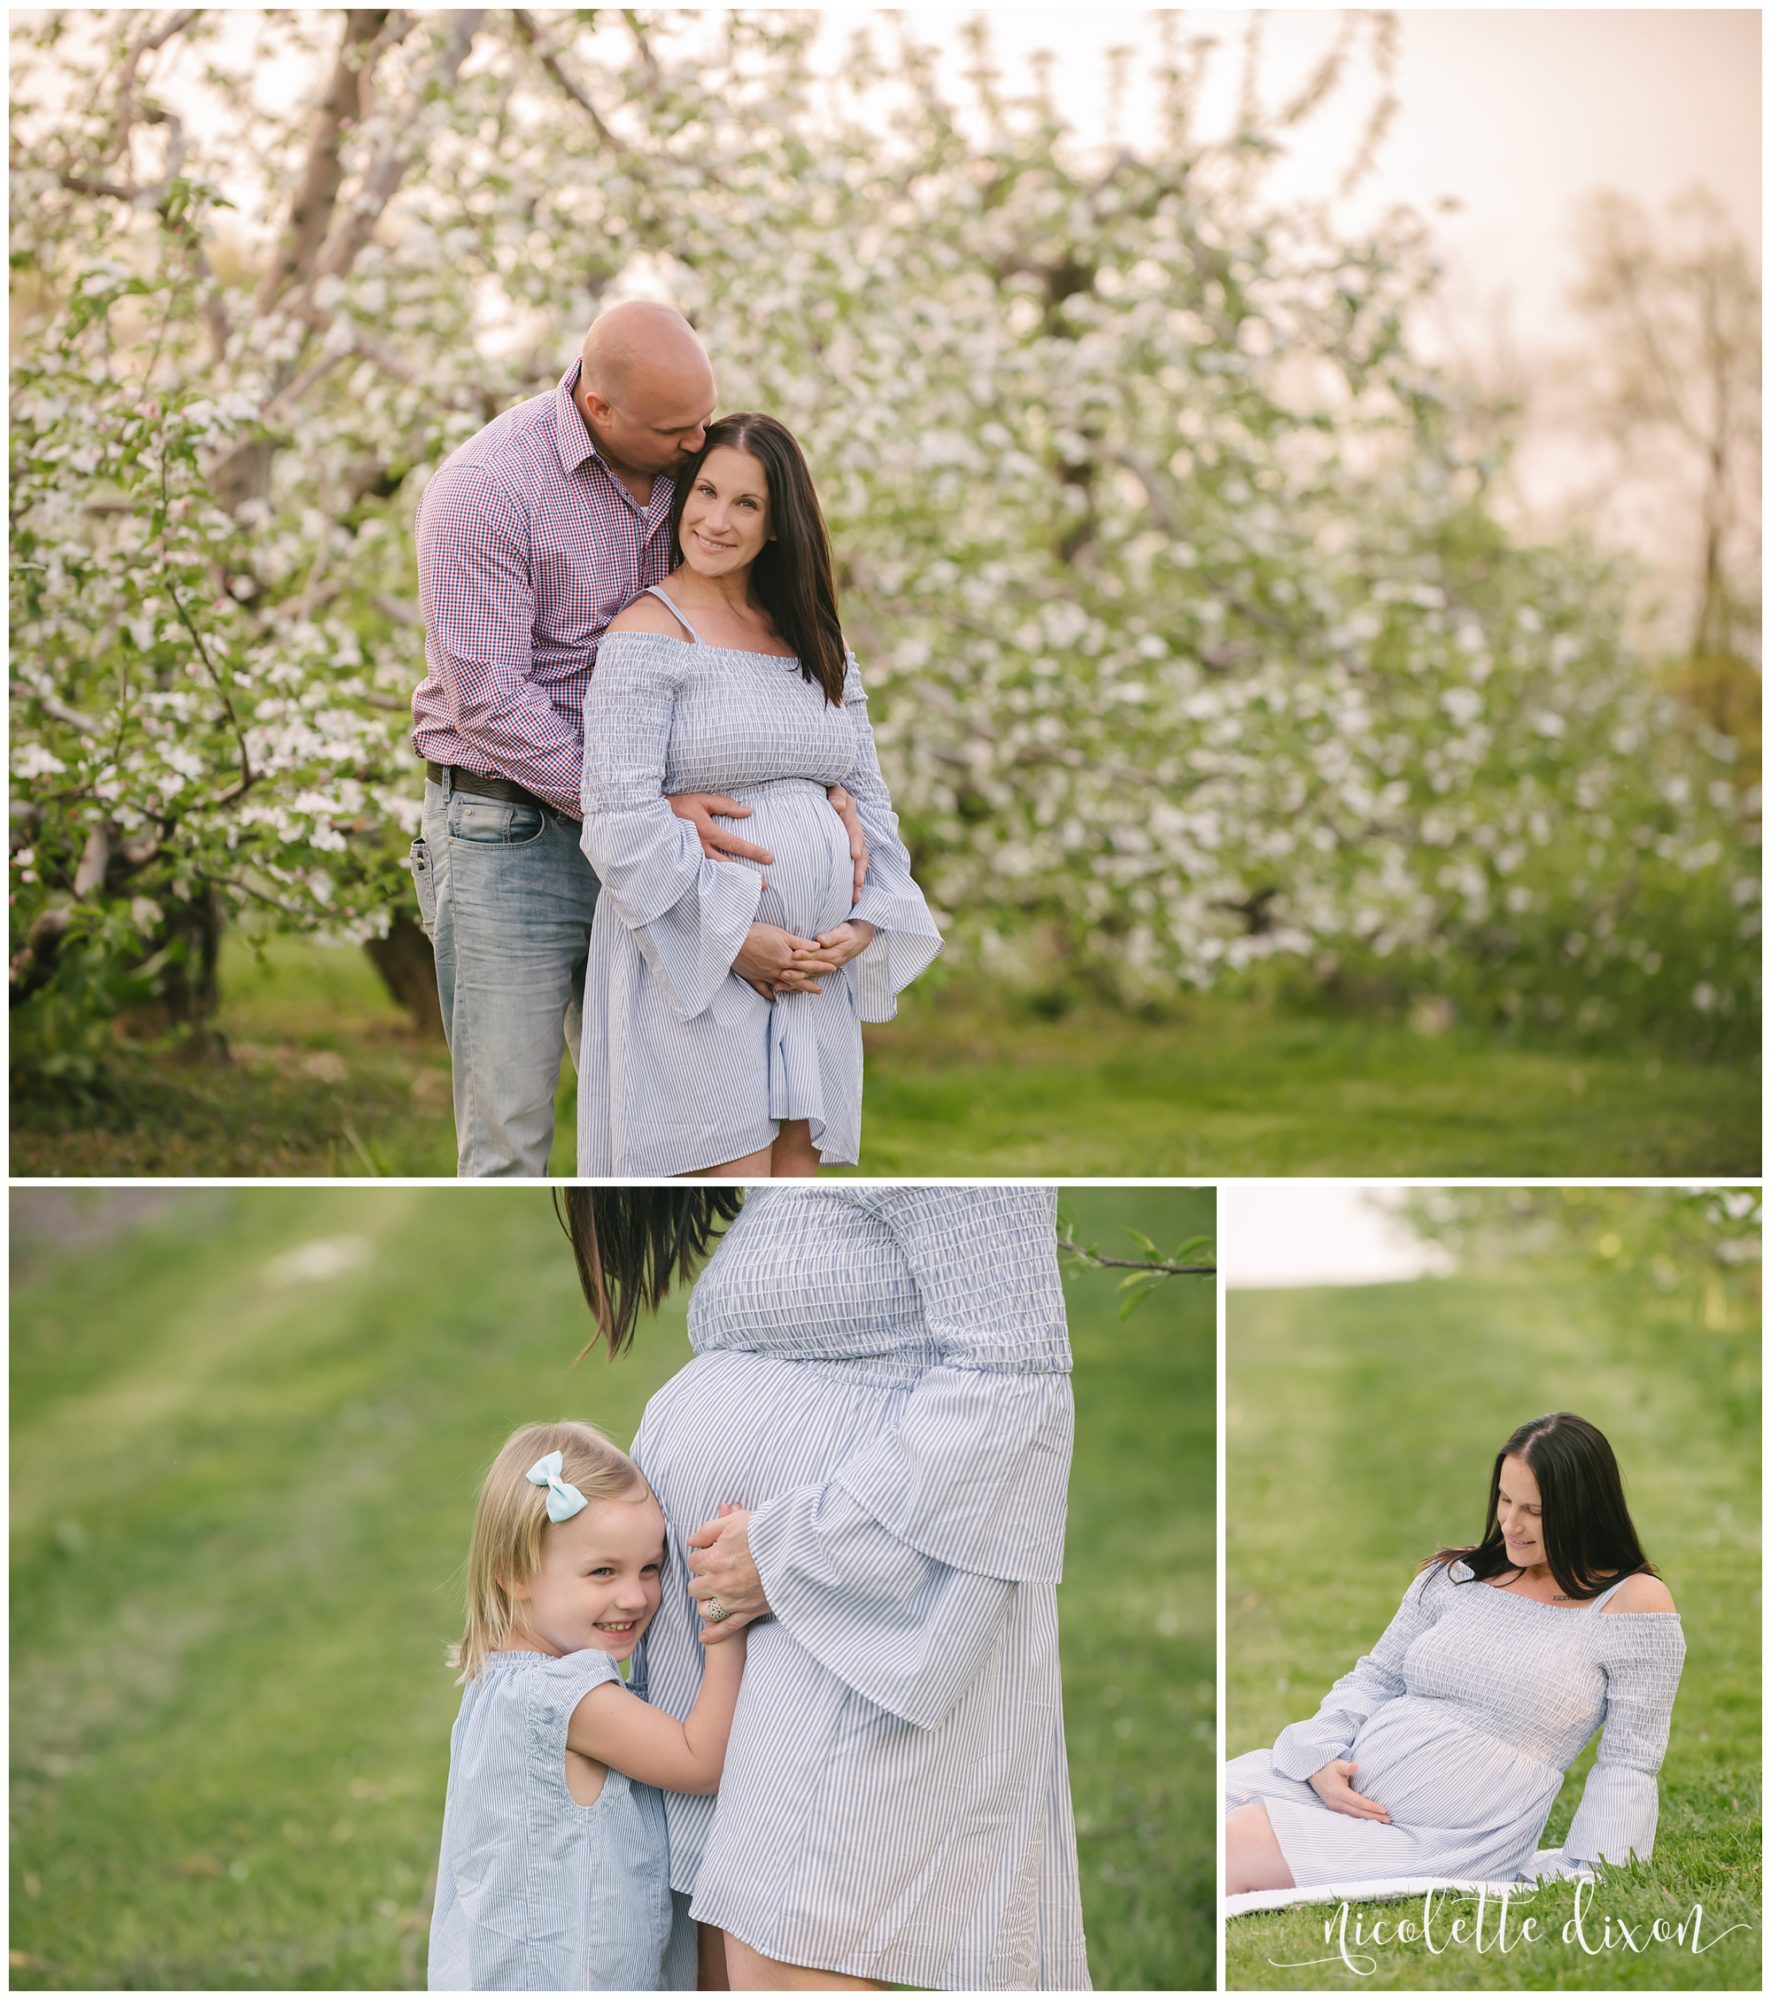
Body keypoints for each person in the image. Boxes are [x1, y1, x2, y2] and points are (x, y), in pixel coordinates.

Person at [563, 1186, 1093, 1992]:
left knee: (792, 1946)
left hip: (866, 1604)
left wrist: (792, 1552)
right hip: (747, 1623)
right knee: (725, 1955)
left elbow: (1013, 1384)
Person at [408, 303, 864, 1176]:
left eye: (703, 419)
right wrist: (635, 805)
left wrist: (810, 777)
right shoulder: (484, 493)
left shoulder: (686, 474)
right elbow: (487, 698)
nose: (698, 445)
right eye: (674, 431)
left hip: (664, 840)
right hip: (513, 836)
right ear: (597, 405)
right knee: (510, 1130)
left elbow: (734, 621)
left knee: (664, 1112)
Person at [577, 413, 941, 1176]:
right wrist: (735, 939)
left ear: (779, 524)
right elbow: (617, 820)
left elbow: (869, 799)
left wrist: (868, 920)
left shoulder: (815, 641)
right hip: (696, 965)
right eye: (705, 492)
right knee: (729, 1188)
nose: (715, 520)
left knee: (795, 1207)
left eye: (745, 504)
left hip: (812, 978)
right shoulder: (646, 634)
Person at [1224, 1411, 1686, 1896]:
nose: (1510, 1523)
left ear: (1585, 1511)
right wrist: (1318, 1758)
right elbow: (1375, 1678)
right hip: (1347, 1788)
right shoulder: (1460, 1575)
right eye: (1505, 1500)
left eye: (1535, 1511)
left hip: (1448, 1837)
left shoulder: (1632, 1603)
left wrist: (1599, 1869)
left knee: (1234, 1844)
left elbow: (1631, 1757)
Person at [427, 1420, 747, 1989]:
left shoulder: (499, 1685)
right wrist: (723, 1619)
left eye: (650, 1568)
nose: (634, 1596)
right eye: (603, 1572)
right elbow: (700, 1761)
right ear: (514, 1574)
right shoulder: (565, 1696)